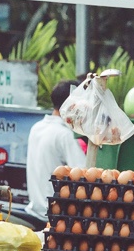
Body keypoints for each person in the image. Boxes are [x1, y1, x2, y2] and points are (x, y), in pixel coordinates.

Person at [26, 79, 88, 218]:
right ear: (72, 106)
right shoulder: (64, 135)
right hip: (53, 216)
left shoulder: (37, 128)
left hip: (35, 209)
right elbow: (85, 176)